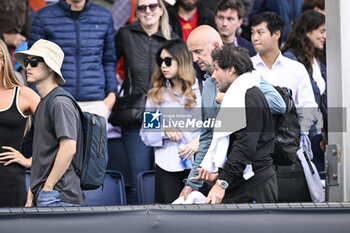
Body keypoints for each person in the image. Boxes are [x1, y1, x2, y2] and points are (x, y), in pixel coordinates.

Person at [178, 25, 285, 201]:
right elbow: (208, 137)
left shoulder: (249, 83)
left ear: (216, 47)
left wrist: (231, 99)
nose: (194, 58)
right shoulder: (208, 86)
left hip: (252, 178)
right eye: (191, 53)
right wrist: (191, 184)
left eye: (198, 51)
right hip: (228, 177)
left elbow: (277, 105)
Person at [250, 12, 324, 202]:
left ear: (276, 34)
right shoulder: (247, 68)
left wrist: (297, 136)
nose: (255, 38)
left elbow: (309, 107)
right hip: (255, 154)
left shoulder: (295, 69)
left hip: (290, 155)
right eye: (252, 33)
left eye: (260, 32)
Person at [192, 45, 277, 204]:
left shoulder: (250, 96)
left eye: (217, 69)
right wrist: (220, 174)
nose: (213, 76)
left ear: (231, 70)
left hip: (254, 187)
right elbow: (235, 142)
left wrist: (222, 183)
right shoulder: (237, 94)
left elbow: (245, 146)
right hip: (239, 184)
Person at [115, 0, 177, 204]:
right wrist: (113, 89)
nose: (148, 11)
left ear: (161, 9)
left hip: (162, 113)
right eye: (142, 7)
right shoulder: (125, 34)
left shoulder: (172, 39)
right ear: (137, 11)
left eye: (152, 6)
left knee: (163, 175)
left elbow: (183, 78)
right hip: (135, 110)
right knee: (137, 176)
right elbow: (107, 64)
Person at [15, 39, 86, 207]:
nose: (28, 67)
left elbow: (69, 148)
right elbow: (44, 153)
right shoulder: (45, 102)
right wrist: (33, 193)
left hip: (58, 197)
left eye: (34, 61)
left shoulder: (59, 102)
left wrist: (47, 187)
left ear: (50, 67)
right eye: (26, 62)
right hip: (49, 195)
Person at [29, 0, 117, 120]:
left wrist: (111, 96)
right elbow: (33, 61)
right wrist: (38, 101)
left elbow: (109, 60)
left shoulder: (104, 16)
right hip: (56, 101)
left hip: (95, 103)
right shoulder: (43, 17)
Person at [140, 39, 201, 204]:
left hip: (200, 166)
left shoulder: (203, 89)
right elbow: (146, 135)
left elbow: (220, 126)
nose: (163, 66)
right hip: (167, 165)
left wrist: (199, 141)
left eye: (168, 61)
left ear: (182, 60)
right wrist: (163, 130)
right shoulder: (156, 95)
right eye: (160, 61)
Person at [0, 39, 40, 207]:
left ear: (3, 61)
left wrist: (30, 160)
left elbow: (56, 132)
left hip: (9, 182)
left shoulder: (23, 94)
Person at [283, 10, 326, 139]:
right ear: (308, 31)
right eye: (322, 31)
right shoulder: (291, 58)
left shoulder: (319, 59)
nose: (325, 36)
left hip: (319, 131)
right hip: (303, 132)